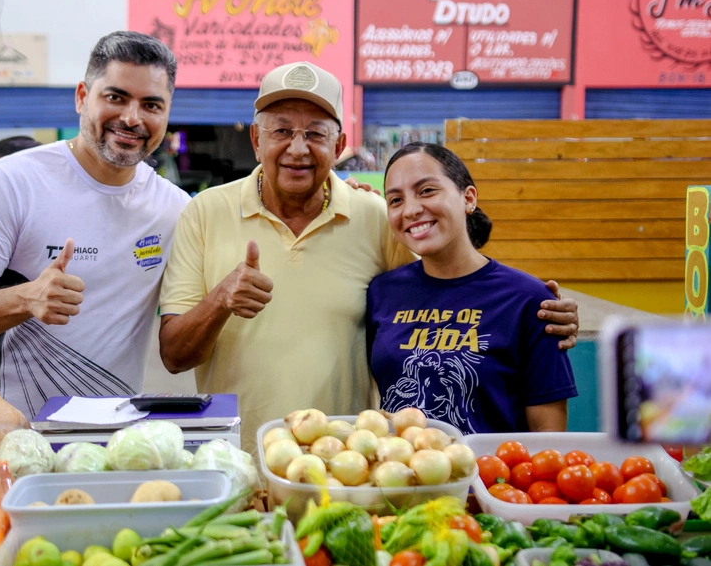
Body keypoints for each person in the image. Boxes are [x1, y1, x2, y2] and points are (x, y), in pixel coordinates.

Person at [158, 61, 579, 455]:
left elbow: (447, 284)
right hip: (236, 458)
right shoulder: (204, 213)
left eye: (316, 134)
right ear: (256, 140)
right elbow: (174, 357)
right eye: (282, 130)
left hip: (347, 467)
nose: (298, 148)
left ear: (339, 145)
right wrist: (220, 300)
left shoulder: (374, 216)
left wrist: (530, 308)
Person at [0, 31, 190, 417]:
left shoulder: (173, 209)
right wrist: (26, 298)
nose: (132, 118)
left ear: (167, 114)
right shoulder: (13, 183)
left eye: (151, 104)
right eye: (115, 97)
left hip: (109, 439)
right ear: (82, 98)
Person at [367, 143, 578, 434]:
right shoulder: (381, 292)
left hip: (491, 477)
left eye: (427, 190)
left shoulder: (529, 300)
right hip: (401, 475)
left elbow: (548, 438)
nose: (412, 210)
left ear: (468, 198)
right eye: (395, 200)